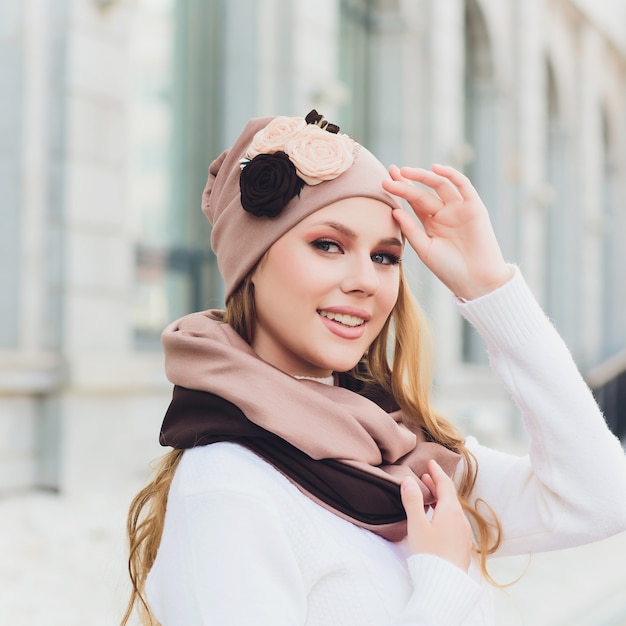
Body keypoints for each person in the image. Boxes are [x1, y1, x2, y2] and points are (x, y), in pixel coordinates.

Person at [122, 110, 626, 626]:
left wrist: (489, 288)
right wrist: (443, 588)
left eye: (385, 256)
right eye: (327, 245)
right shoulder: (228, 488)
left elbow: (599, 498)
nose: (366, 280)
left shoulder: (396, 455)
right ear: (252, 263)